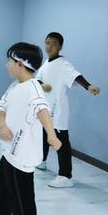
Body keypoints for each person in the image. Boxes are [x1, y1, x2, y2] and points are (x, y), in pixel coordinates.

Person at [0, 42, 62, 215]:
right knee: (2, 180)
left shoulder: (33, 87)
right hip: (9, 150)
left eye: (9, 61)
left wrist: (52, 136)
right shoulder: (15, 85)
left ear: (20, 63)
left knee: (21, 197)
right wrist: (2, 125)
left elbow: (42, 110)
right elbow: (0, 105)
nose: (6, 64)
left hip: (23, 153)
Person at [35, 32, 101, 188]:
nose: (50, 46)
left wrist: (88, 86)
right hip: (45, 109)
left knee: (61, 142)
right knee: (43, 135)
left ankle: (65, 176)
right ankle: (42, 161)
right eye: (47, 43)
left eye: (54, 44)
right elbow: (38, 78)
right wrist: (41, 84)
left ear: (60, 46)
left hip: (57, 111)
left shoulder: (63, 64)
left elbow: (76, 76)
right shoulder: (47, 62)